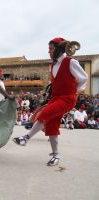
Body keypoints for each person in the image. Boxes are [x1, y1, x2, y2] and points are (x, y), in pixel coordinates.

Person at [13, 37, 88, 166]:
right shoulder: (54, 64)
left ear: (59, 49)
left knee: (45, 114)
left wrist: (74, 90)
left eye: (51, 49)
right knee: (52, 127)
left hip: (67, 98)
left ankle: (26, 138)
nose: (49, 51)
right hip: (56, 98)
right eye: (49, 49)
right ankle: (56, 155)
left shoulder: (70, 62)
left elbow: (84, 78)